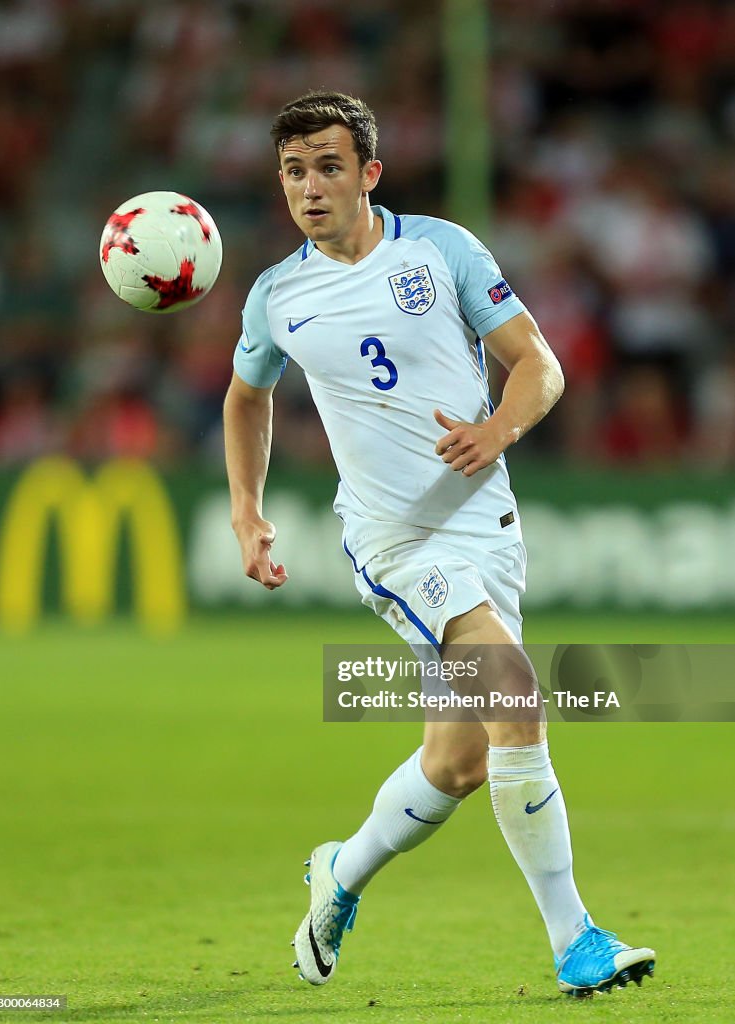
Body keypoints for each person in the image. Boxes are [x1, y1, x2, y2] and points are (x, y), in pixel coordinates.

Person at [223, 90, 655, 998]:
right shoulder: (277, 296)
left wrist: (496, 430)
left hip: (487, 525)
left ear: (369, 173)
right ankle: (575, 939)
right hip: (395, 541)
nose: (309, 186)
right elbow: (245, 397)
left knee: (458, 761)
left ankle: (338, 871)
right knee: (518, 699)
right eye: (294, 170)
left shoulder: (441, 249)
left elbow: (538, 363)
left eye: (328, 166)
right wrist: (247, 511)